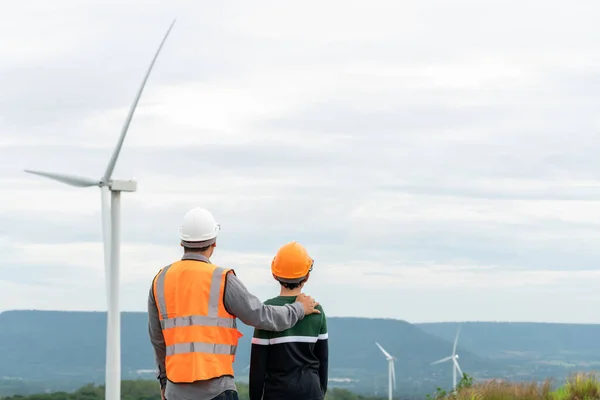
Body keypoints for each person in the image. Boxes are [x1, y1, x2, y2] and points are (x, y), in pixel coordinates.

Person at [148, 208, 321, 400]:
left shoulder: (161, 280)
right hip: (217, 391)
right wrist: (298, 309)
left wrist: (164, 382)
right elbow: (260, 316)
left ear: (182, 242)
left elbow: (158, 340)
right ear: (214, 242)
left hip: (176, 391)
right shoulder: (221, 279)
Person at [249, 241, 328, 400]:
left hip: (277, 393)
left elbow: (258, 366)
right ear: (307, 276)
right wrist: (320, 392)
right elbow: (323, 361)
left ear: (274, 274)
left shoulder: (268, 311)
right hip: (311, 392)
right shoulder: (316, 311)